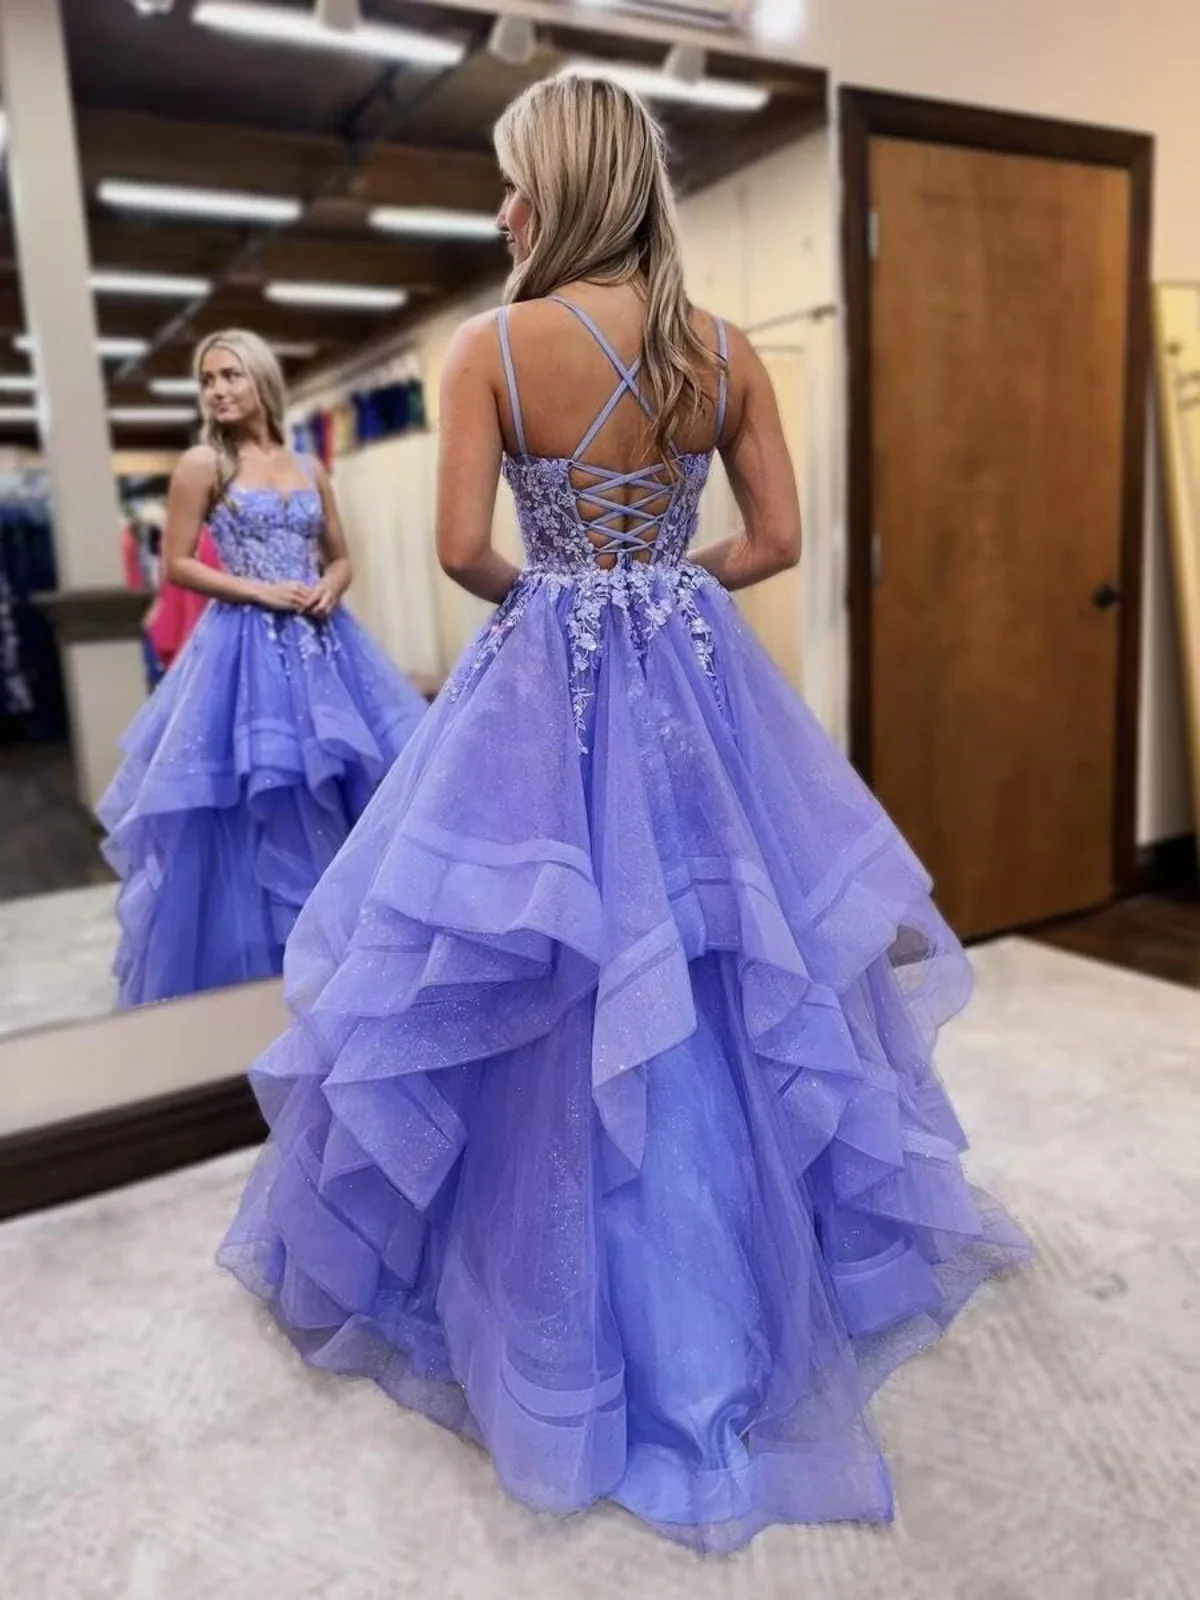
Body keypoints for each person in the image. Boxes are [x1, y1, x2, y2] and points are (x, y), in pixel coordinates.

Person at [218, 79, 1030, 1551]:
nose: (502, 210)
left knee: (538, 962)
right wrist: (668, 585)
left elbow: (459, 548)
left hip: (550, 676)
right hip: (696, 683)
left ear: (556, 192)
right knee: (724, 952)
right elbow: (778, 539)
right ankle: (763, 1288)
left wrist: (564, 600)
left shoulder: (490, 348)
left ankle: (576, 1335)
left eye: (512, 184)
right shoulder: (723, 351)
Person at [98, 329, 426, 1007]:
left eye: (230, 375)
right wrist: (259, 591)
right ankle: (265, 971)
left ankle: (347, 955)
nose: (217, 390)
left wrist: (331, 585)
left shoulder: (310, 466)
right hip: (242, 649)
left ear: (261, 380)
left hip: (324, 644)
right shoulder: (203, 465)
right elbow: (176, 564)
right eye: (207, 380)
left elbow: (341, 555)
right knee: (262, 794)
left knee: (348, 783)